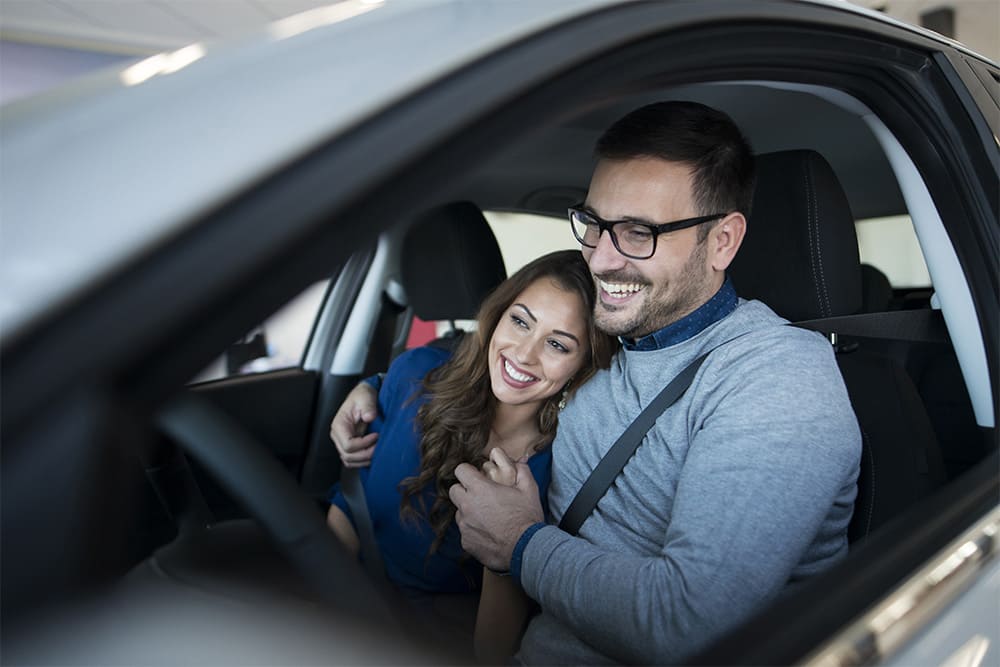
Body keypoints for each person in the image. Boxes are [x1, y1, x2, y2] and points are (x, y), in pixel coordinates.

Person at [447, 101, 863, 665]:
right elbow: (505, 350)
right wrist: (376, 385)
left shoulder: (778, 378)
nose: (601, 260)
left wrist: (519, 544)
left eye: (638, 232)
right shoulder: (610, 337)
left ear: (722, 241)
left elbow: (689, 626)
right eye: (594, 224)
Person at [326, 249, 617, 663]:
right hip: (335, 610)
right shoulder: (414, 374)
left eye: (557, 344)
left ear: (584, 365)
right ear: (498, 316)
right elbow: (348, 502)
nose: (524, 354)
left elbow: (492, 650)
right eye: (520, 321)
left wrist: (509, 537)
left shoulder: (557, 474)